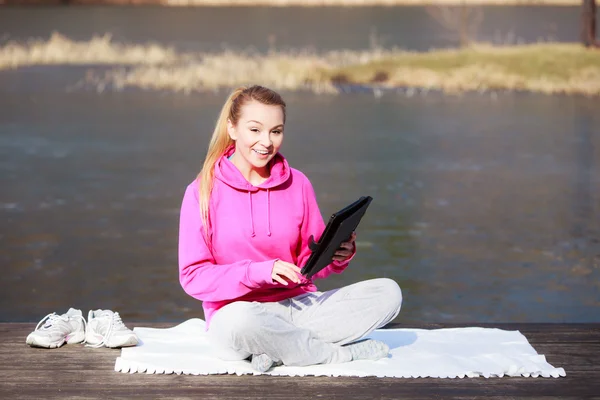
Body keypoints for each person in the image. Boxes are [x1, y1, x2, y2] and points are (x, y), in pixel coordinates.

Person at [178, 85, 402, 373]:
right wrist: (260, 271)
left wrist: (336, 255)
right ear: (232, 128)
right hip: (237, 314)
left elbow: (308, 267)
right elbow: (193, 277)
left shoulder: (298, 184)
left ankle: (277, 350)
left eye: (276, 131)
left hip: (300, 307)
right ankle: (335, 355)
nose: (266, 142)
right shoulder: (202, 190)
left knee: (389, 293)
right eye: (255, 130)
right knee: (240, 321)